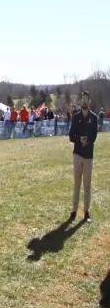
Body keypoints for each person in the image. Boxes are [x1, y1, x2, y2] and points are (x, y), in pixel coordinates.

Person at [69, 91, 96, 223]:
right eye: (83, 99)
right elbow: (71, 136)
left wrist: (88, 140)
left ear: (89, 101)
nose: (84, 101)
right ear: (80, 101)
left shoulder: (94, 118)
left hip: (88, 156)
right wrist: (79, 139)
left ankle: (86, 212)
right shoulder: (75, 117)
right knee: (77, 184)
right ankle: (74, 211)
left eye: (86, 99)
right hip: (77, 155)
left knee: (87, 185)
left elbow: (95, 136)